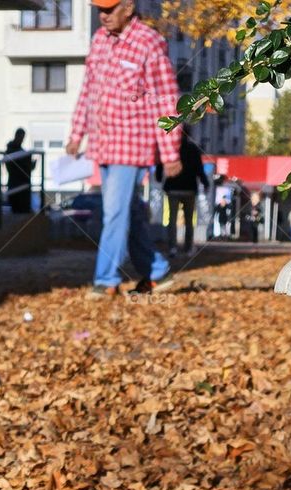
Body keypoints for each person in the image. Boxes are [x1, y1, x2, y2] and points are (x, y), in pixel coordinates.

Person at [65, 0, 182, 295]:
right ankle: (158, 271)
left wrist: (170, 152)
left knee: (114, 214)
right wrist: (76, 133)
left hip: (132, 145)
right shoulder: (99, 40)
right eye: (99, 11)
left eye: (109, 9)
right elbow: (88, 89)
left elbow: (166, 99)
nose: (102, 16)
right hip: (102, 144)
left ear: (128, 8)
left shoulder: (150, 43)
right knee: (127, 213)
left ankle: (105, 281)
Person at [155, 125, 208, 255]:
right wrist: (205, 182)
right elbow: (199, 169)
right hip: (189, 188)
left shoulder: (170, 148)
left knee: (171, 220)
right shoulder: (194, 149)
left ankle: (172, 247)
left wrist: (158, 176)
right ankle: (188, 248)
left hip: (172, 188)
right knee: (189, 220)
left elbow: (161, 164)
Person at [4, 127, 35, 214]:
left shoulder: (21, 151)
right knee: (17, 210)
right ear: (16, 136)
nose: (21, 140)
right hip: (15, 183)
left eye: (23, 137)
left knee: (23, 210)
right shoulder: (11, 151)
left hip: (23, 184)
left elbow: (27, 167)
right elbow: (12, 167)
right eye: (21, 137)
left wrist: (31, 164)